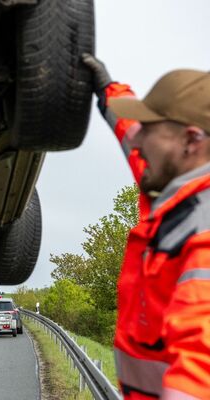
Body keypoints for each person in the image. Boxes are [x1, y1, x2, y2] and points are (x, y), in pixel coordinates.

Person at [82, 54, 210, 400]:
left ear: (191, 140)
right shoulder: (171, 184)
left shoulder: (203, 229)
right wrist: (108, 88)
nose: (136, 143)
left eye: (149, 130)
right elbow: (130, 131)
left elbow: (202, 363)